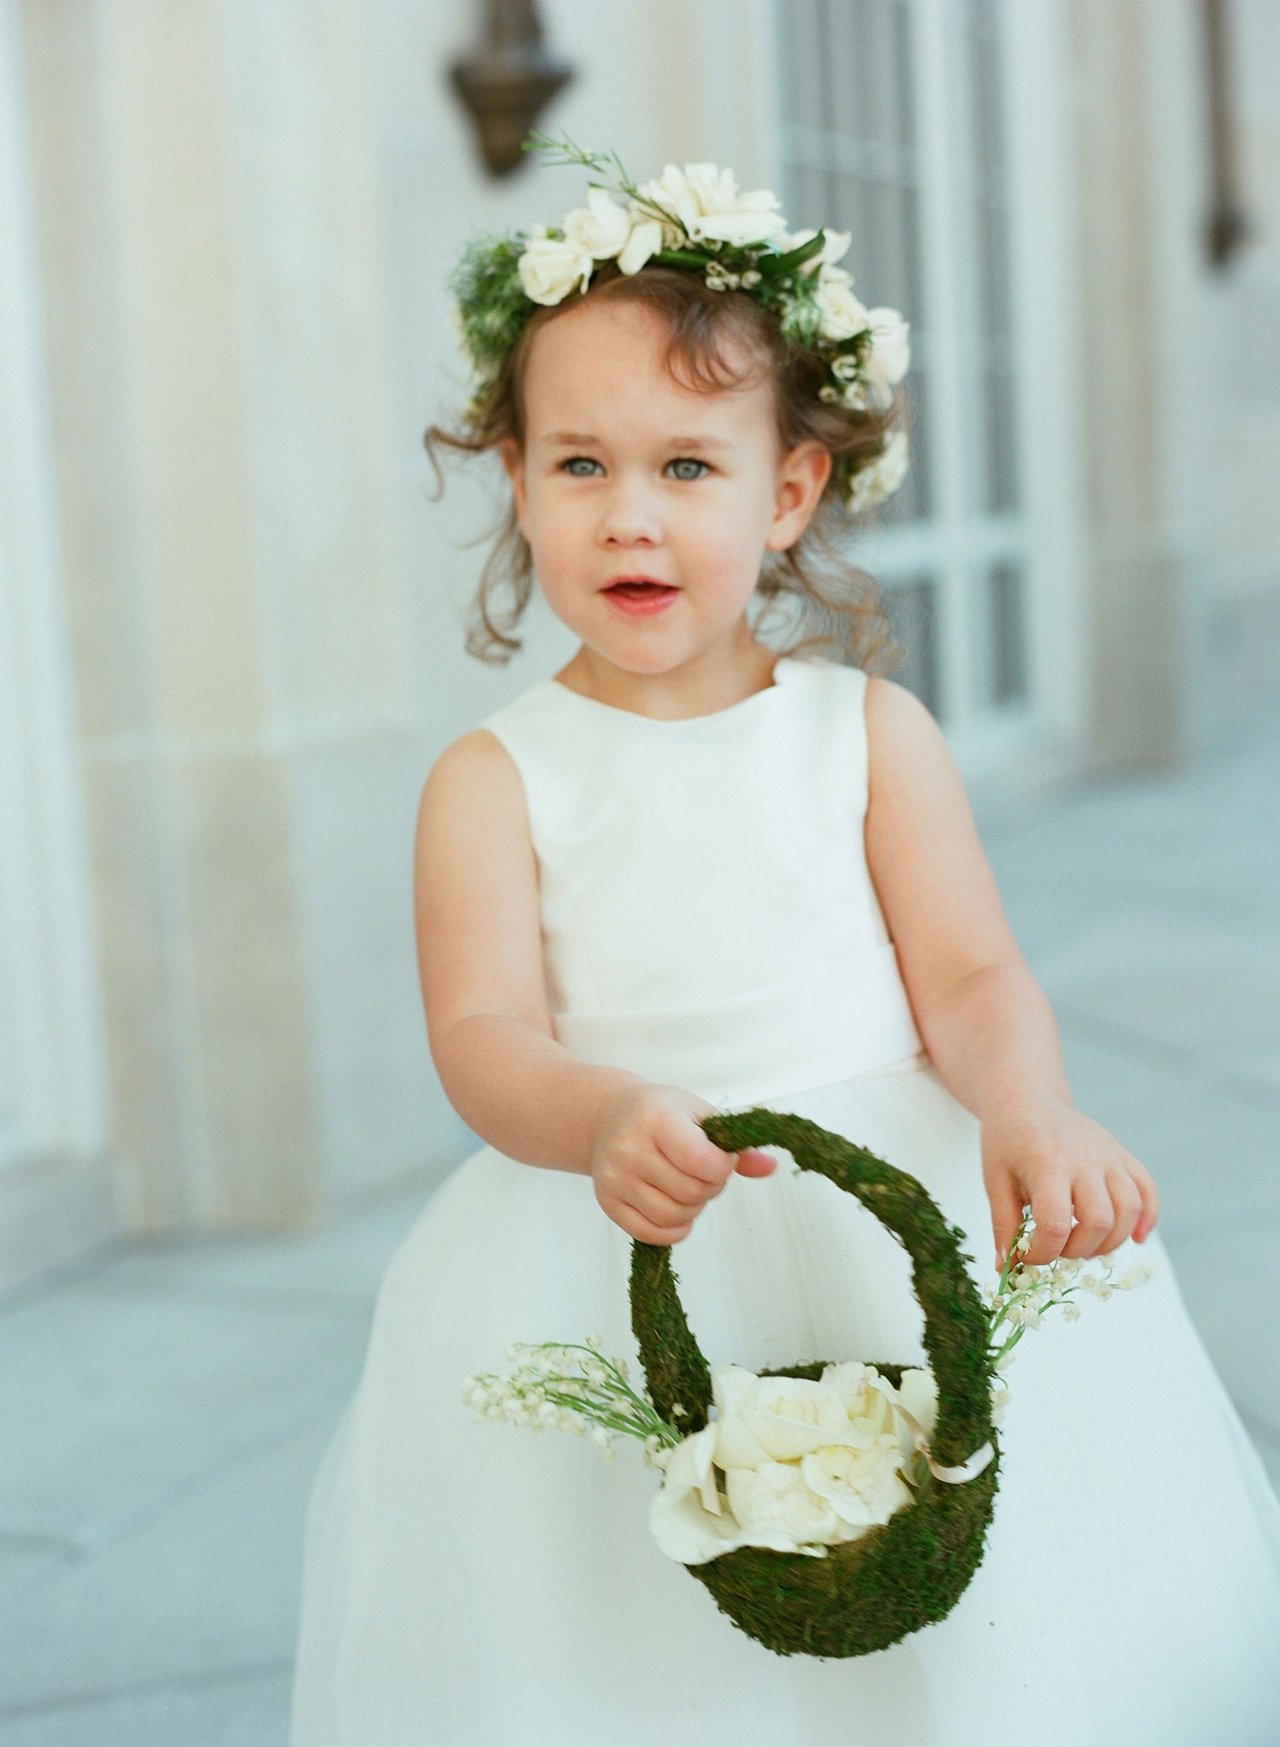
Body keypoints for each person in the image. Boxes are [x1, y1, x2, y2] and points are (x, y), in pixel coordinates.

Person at [289, 142, 1280, 1745]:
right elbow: (482, 1032)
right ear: (517, 479)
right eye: (579, 467)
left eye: (689, 468)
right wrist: (600, 1116)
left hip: (896, 1200)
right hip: (627, 1222)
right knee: (629, 1631)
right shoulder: (494, 777)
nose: (632, 517)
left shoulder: (867, 734)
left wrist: (1028, 1110)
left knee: (981, 1610)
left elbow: (966, 971)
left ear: (790, 490)